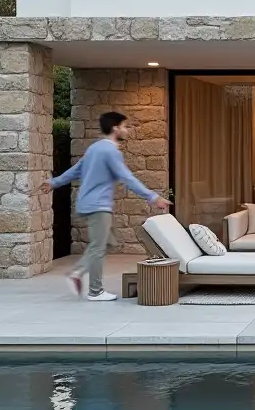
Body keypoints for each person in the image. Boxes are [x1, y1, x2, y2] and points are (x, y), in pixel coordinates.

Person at [44, 111, 171, 301]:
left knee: (108, 243)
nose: (126, 130)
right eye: (124, 126)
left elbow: (76, 170)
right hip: (98, 205)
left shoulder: (94, 149)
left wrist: (54, 183)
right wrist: (153, 197)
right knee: (98, 246)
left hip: (90, 203)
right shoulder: (111, 151)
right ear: (115, 128)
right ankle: (91, 287)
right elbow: (127, 178)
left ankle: (88, 281)